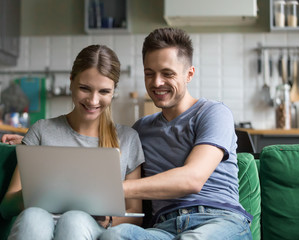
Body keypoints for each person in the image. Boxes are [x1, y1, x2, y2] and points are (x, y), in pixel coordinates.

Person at [99, 28, 253, 240]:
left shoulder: (213, 112)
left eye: (167, 73)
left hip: (218, 220)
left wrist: (116, 188)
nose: (156, 82)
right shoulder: (140, 130)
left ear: (189, 74)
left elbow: (192, 179)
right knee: (114, 236)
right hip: (163, 229)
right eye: (149, 73)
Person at [0, 44, 145, 240]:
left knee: (74, 220)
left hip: (89, 230)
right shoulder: (42, 131)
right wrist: (39, 192)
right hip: (38, 224)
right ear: (71, 82)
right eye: (85, 88)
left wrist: (108, 220)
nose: (93, 100)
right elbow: (7, 206)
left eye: (104, 91)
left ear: (113, 92)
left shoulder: (128, 139)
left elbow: (135, 213)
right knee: (33, 217)